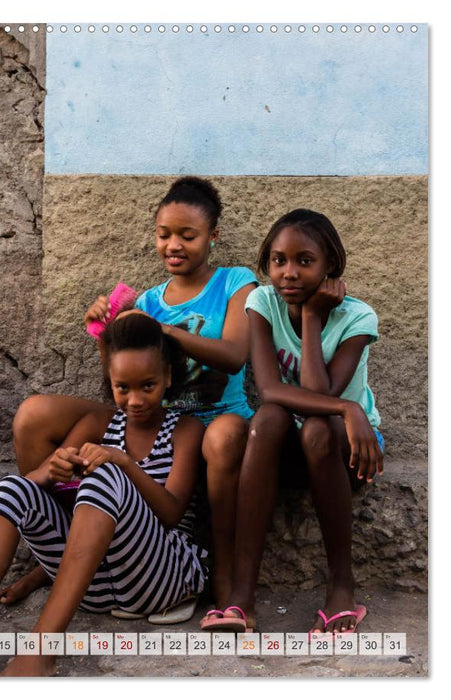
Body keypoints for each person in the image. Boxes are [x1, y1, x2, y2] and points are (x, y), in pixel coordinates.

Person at [4, 177, 257, 616]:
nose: (173, 245)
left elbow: (236, 356)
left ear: (213, 237)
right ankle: (59, 551)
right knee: (34, 414)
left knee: (221, 438)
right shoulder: (150, 300)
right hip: (152, 413)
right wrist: (104, 331)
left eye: (188, 235)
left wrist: (160, 328)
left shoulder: (236, 282)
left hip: (217, 418)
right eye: (164, 234)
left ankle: (223, 575)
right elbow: (123, 378)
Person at [0, 314, 207, 676]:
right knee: (11, 488)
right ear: (110, 383)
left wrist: (124, 463)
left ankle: (39, 654)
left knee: (105, 477)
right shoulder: (100, 425)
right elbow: (39, 479)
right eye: (122, 387)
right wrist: (56, 470)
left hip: (160, 580)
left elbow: (172, 513)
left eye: (148, 386)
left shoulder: (186, 430)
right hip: (97, 589)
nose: (135, 399)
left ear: (168, 378)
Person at [201, 209, 383, 635]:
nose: (289, 273)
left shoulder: (358, 318)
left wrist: (314, 318)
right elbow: (268, 389)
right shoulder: (262, 302)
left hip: (347, 453)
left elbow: (322, 397)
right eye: (279, 260)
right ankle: (242, 598)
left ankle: (342, 587)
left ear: (330, 268)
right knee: (267, 416)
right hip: (284, 451)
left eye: (305, 261)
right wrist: (347, 408)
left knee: (318, 428)